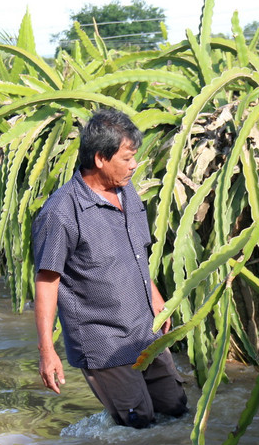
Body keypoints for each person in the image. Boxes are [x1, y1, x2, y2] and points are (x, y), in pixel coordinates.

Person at [31, 108, 188, 428]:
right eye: (127, 158)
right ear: (101, 158)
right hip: (104, 344)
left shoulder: (126, 192)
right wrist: (47, 350)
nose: (134, 166)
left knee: (177, 410)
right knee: (138, 424)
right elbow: (47, 281)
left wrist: (156, 299)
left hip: (145, 332)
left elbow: (137, 254)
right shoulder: (61, 213)